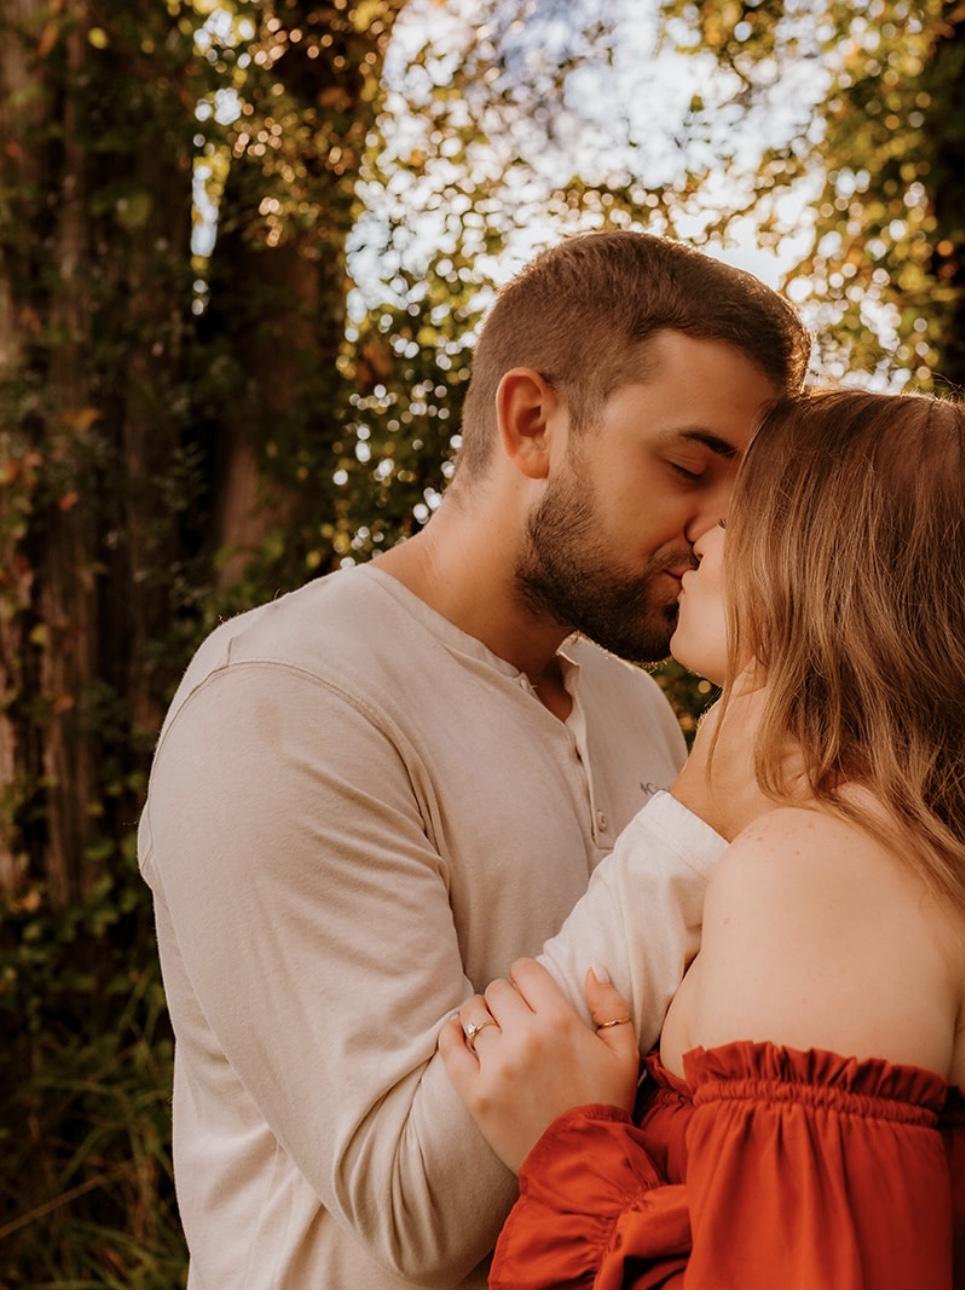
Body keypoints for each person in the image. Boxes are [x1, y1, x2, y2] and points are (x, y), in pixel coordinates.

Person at [137, 231, 809, 1289]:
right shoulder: (284, 703)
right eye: (689, 467)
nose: (718, 530)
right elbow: (413, 1210)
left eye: (747, 496)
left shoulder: (636, 708)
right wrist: (689, 830)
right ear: (531, 422)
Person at [443, 390, 965, 1288]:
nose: (700, 540)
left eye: (741, 518)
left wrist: (573, 1149)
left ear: (822, 566)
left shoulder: (820, 875)